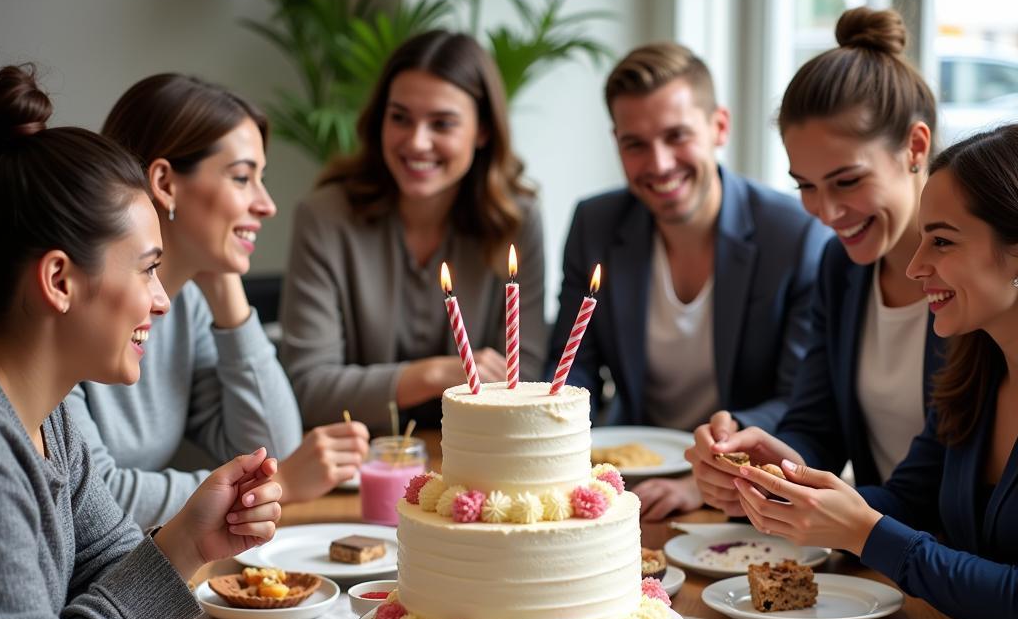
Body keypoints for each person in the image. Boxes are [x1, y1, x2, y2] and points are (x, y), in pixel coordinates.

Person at [0, 65, 335, 619]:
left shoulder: (50, 421)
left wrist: (189, 540)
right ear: (59, 281)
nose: (159, 299)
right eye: (146, 270)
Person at [731, 123, 1018, 619]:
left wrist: (867, 534)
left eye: (942, 241)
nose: (915, 265)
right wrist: (793, 489)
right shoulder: (974, 368)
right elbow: (909, 498)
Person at [66, 74, 369, 529]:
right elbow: (92, 494)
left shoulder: (187, 302)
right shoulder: (69, 300)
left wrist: (225, 287)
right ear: (165, 183)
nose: (267, 204)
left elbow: (268, 448)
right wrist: (275, 484)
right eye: (243, 178)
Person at [547, 42, 829, 516]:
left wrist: (709, 471)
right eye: (635, 144)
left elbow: (796, 399)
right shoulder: (595, 224)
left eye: (676, 136)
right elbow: (573, 369)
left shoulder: (794, 234)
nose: (658, 164)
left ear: (719, 126)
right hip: (624, 485)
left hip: (744, 493)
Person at [684, 8, 943, 521]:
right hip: (873, 563)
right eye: (805, 185)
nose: (825, 212)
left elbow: (937, 485)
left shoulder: (976, 277)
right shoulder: (841, 268)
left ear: (915, 146)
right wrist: (769, 466)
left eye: (846, 181)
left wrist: (811, 502)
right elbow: (817, 426)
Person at [280, 30, 546, 432]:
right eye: (400, 117)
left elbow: (522, 387)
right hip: (362, 465)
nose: (417, 142)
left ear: (483, 131)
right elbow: (307, 391)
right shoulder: (325, 219)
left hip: (481, 463)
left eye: (442, 123)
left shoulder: (516, 222)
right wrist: (434, 375)